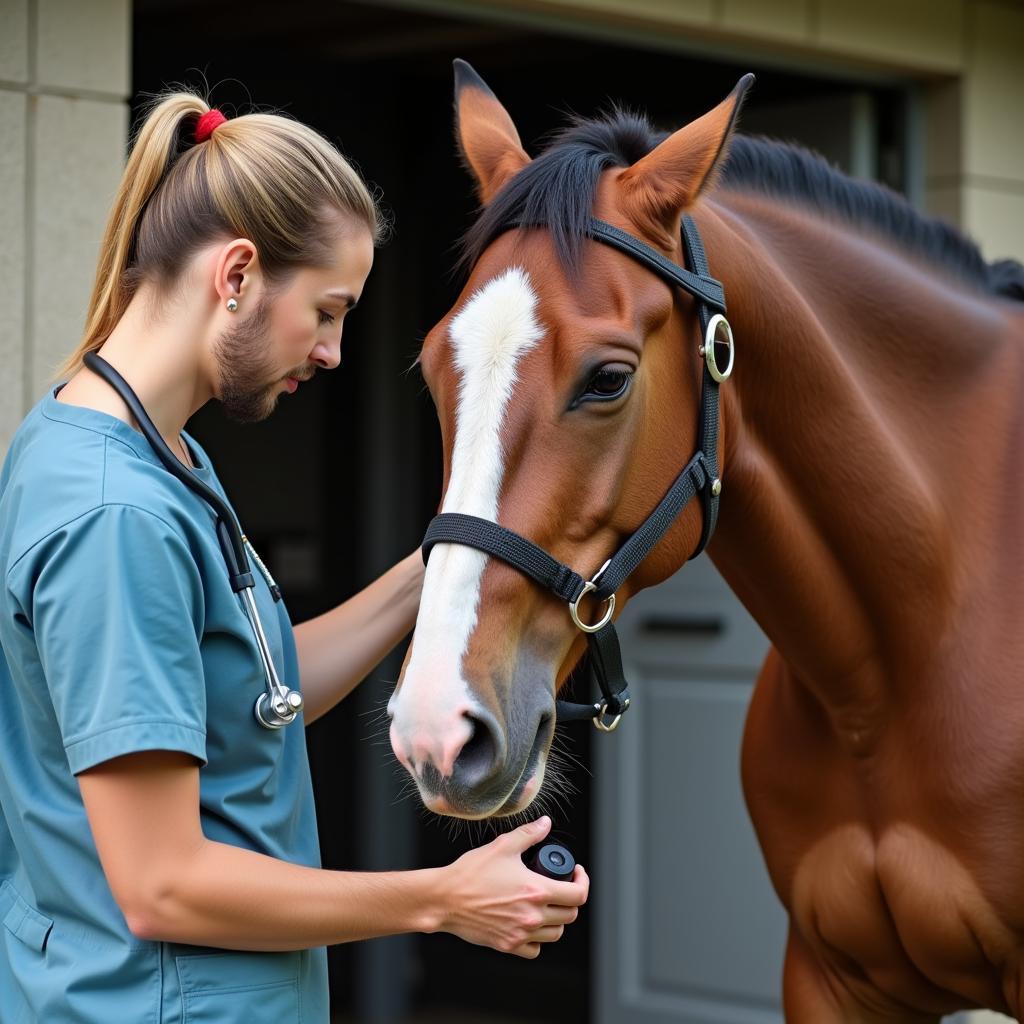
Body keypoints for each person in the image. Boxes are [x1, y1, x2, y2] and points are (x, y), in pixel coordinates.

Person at [0, 93, 588, 1022]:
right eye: (327, 310)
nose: (334, 350)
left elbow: (249, 697)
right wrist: (441, 900)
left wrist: (440, 569)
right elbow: (163, 883)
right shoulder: (115, 515)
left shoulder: (153, 453)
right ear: (237, 273)